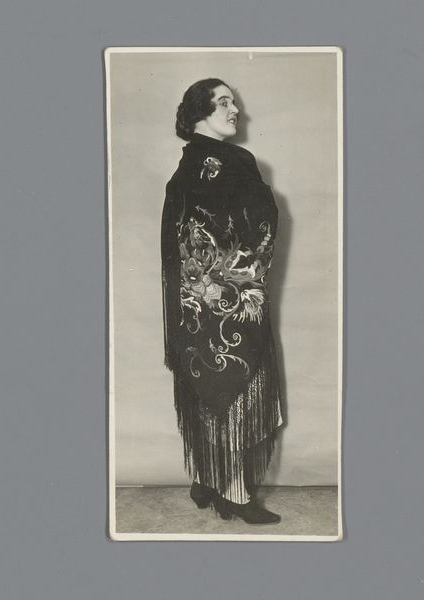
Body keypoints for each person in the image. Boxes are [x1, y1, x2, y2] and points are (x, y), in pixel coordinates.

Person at [161, 78, 283, 524]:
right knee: (237, 389)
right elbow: (261, 223)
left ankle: (207, 479)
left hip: (194, 302)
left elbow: (178, 244)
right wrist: (242, 277)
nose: (236, 111)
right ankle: (232, 492)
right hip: (228, 300)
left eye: (235, 102)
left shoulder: (184, 168)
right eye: (224, 102)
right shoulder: (236, 161)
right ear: (200, 112)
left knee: (206, 385)